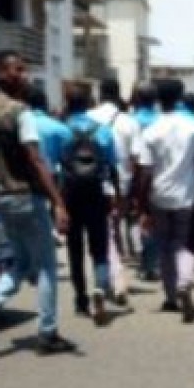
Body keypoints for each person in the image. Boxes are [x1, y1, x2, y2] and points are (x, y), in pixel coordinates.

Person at [0, 51, 74, 356]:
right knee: (46, 267)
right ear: (1, 74)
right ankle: (47, 332)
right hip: (24, 196)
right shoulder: (22, 113)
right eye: (18, 70)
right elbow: (35, 158)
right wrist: (59, 202)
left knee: (21, 262)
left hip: (0, 197)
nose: (24, 75)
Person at [137, 77, 194, 323]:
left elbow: (144, 171)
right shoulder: (193, 127)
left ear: (157, 99)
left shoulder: (151, 129)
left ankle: (171, 297)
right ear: (179, 97)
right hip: (186, 195)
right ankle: (185, 283)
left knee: (164, 246)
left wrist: (141, 204)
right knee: (185, 244)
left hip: (159, 195)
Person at [62, 84, 119, 322]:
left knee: (74, 249)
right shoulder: (103, 131)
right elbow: (111, 165)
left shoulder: (61, 130)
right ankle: (99, 290)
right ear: (88, 104)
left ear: (67, 103)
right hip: (95, 193)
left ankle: (80, 300)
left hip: (70, 194)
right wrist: (116, 196)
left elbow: (54, 166)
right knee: (100, 249)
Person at [88, 78, 142, 305]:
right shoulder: (129, 122)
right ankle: (113, 280)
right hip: (122, 184)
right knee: (112, 228)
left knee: (106, 231)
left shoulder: (88, 118)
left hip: (91, 181)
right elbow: (137, 158)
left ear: (100, 93)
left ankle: (112, 282)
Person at [131, 83, 160, 281]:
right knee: (155, 221)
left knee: (140, 219)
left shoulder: (133, 121)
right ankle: (153, 262)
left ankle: (145, 263)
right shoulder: (160, 120)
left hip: (138, 174)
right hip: (159, 175)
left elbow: (133, 155)